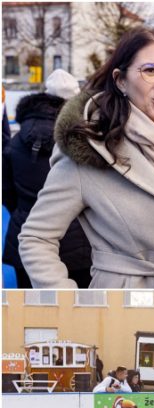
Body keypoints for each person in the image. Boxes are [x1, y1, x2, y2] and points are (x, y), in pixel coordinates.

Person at [17, 27, 154, 288]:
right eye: (150, 70)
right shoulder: (89, 150)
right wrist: (68, 303)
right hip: (126, 310)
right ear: (120, 80)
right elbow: (36, 238)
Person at [3, 69, 93, 288]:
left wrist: (27, 208)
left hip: (26, 236)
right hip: (78, 240)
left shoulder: (16, 142)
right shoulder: (83, 141)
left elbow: (6, 192)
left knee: (32, 311)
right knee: (82, 311)